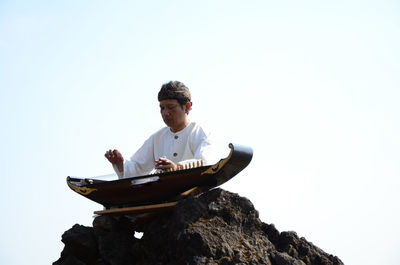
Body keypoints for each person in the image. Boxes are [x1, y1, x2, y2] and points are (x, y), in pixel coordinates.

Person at [104, 81, 214, 179]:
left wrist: (176, 168)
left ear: (187, 107)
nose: (165, 113)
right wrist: (120, 164)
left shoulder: (199, 131)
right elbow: (138, 168)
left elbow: (204, 163)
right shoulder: (157, 138)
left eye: (171, 107)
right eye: (162, 108)